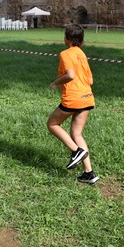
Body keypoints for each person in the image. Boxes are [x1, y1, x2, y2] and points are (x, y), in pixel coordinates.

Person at [47, 24, 98, 184]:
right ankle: (89, 173)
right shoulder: (82, 54)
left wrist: (55, 83)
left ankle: (76, 151)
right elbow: (90, 80)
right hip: (88, 97)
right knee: (77, 134)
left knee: (52, 124)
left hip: (74, 98)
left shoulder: (65, 53)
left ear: (67, 38)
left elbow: (70, 75)